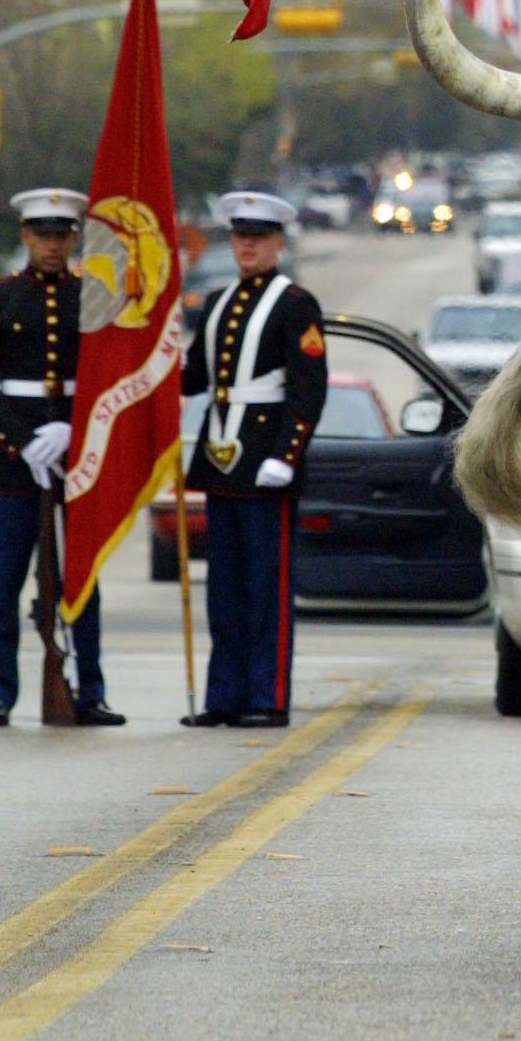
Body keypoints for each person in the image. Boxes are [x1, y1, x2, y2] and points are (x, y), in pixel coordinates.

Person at [0, 189, 125, 729]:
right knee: (3, 582)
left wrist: (72, 430)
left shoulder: (93, 298)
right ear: (25, 236)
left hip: (75, 456)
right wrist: (21, 440)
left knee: (81, 579)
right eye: (43, 235)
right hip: (15, 461)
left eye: (63, 235)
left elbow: (107, 380)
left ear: (74, 238)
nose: (53, 245)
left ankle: (89, 688)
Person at [180, 193, 327, 728]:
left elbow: (308, 390)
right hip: (222, 465)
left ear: (277, 243)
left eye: (258, 237)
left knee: (267, 591)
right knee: (224, 592)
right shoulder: (217, 300)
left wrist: (287, 456)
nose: (247, 245)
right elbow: (196, 378)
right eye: (240, 236)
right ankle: (225, 696)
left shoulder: (295, 305)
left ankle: (267, 697)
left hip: (267, 464)